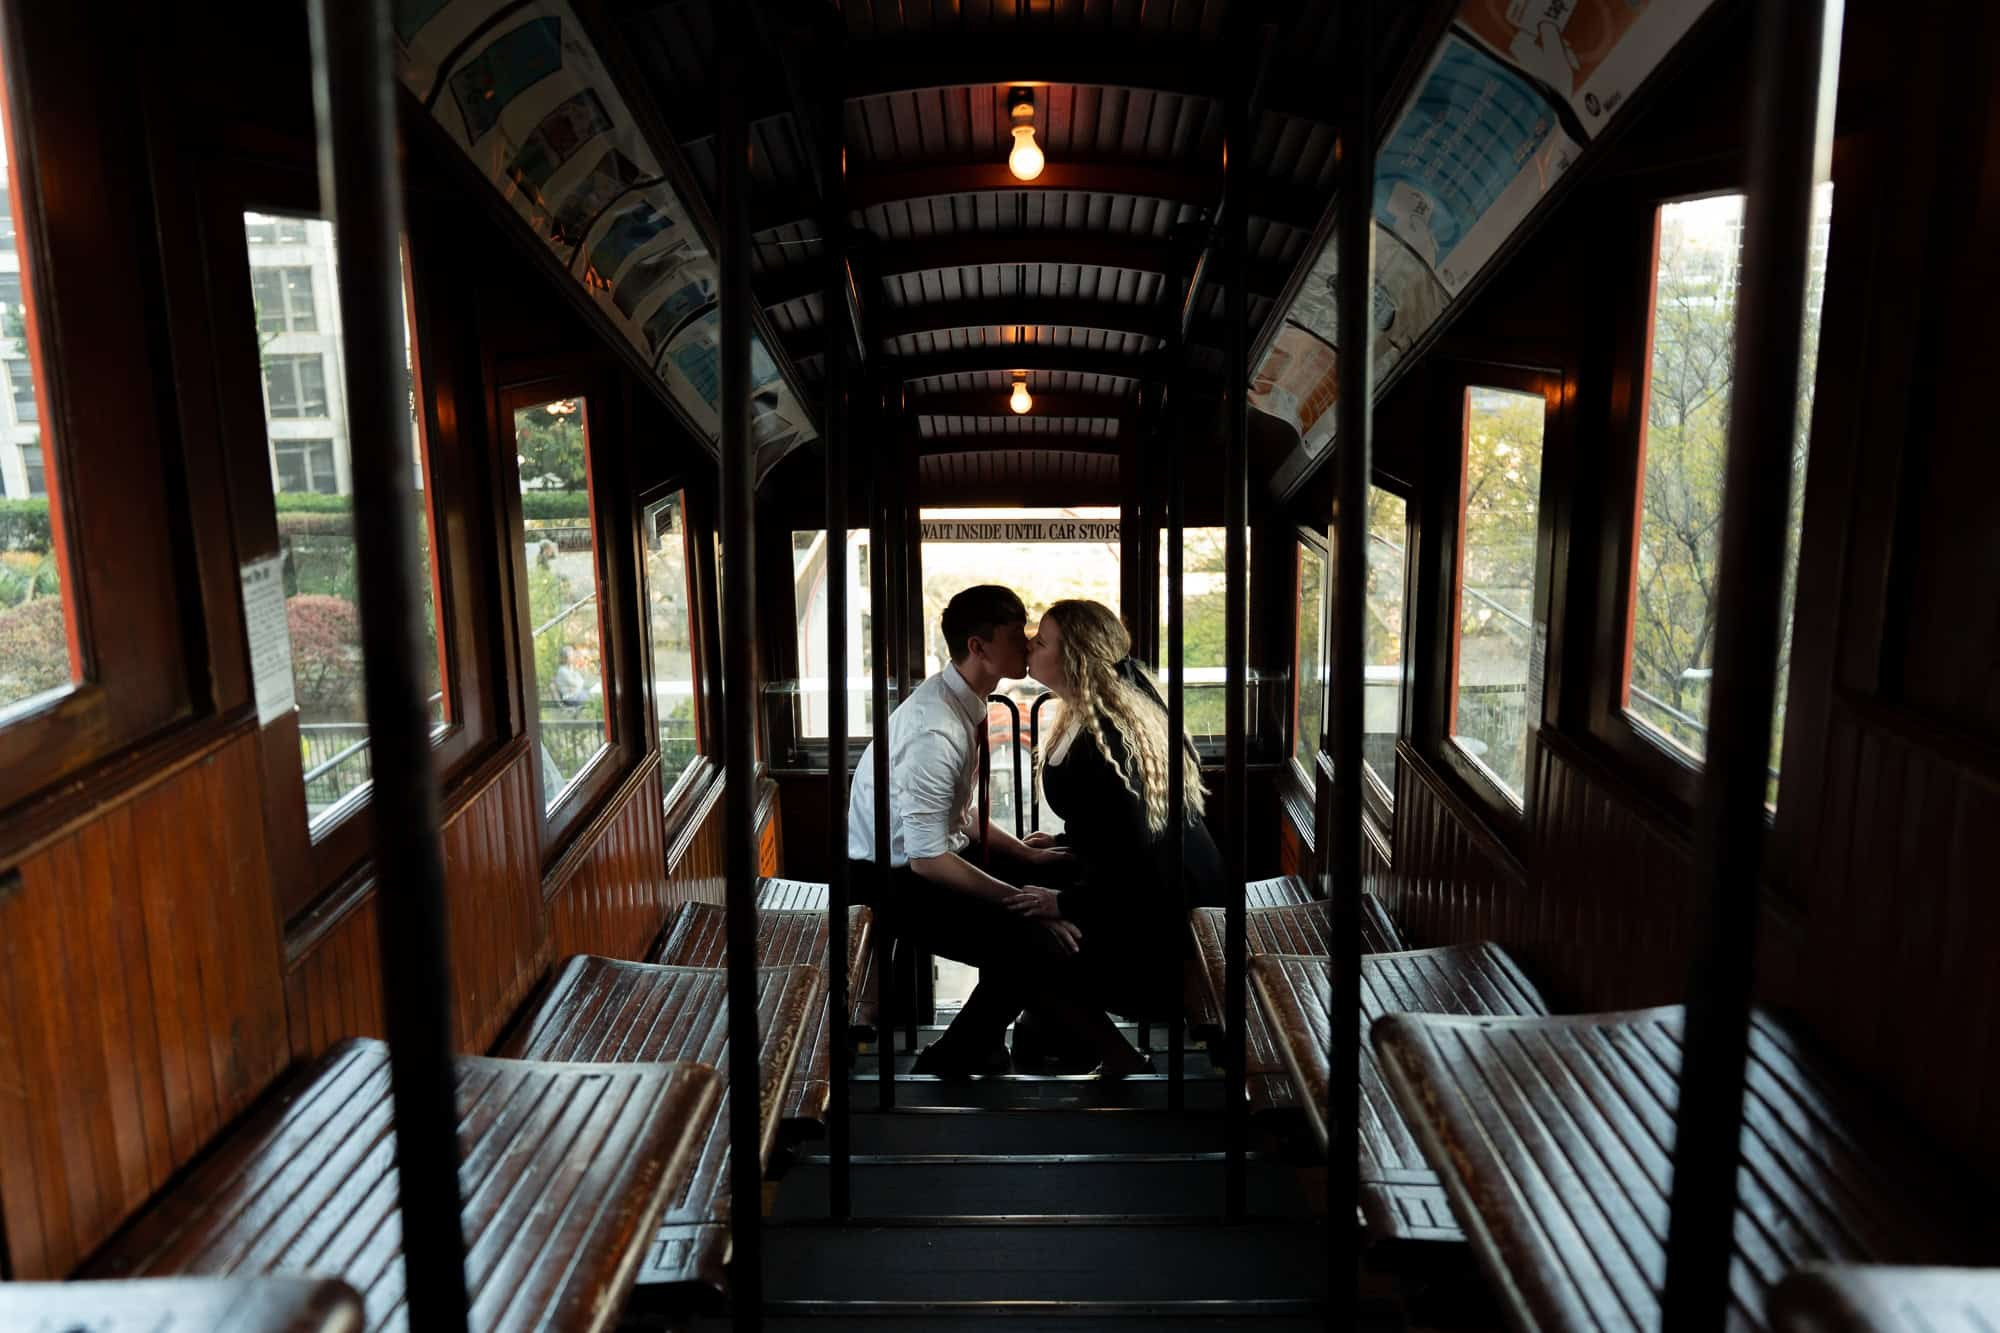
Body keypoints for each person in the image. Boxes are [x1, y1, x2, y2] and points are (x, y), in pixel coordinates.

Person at [847, 585, 1144, 1077]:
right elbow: (926, 858)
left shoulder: (963, 701)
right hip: (892, 879)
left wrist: (1027, 860)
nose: (1028, 645)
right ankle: (977, 1054)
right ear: (978, 647)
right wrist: (1023, 903)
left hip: (933, 857)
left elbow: (957, 814)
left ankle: (1019, 1038)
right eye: (1016, 636)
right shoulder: (933, 730)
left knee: (1059, 880)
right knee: (1030, 939)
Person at [1023, 599, 1223, 1028]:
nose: (1029, 646)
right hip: (1148, 890)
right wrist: (1064, 843)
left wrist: (1063, 903)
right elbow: (1114, 831)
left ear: (1073, 659)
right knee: (1024, 890)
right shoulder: (1097, 709)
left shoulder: (1107, 741)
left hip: (1163, 922)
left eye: (1040, 642)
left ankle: (1102, 1054)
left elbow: (1135, 861)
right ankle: (1049, 1040)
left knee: (1027, 939)